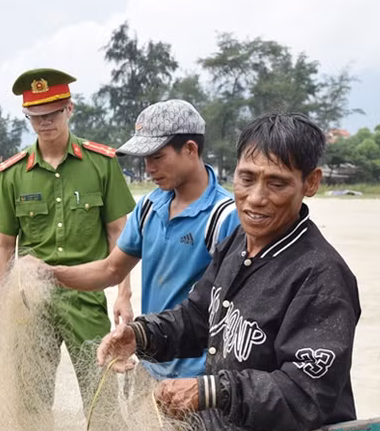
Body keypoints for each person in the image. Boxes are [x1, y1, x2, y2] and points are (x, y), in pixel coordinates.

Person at [96, 112, 360, 431]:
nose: (256, 198)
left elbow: (304, 393)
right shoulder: (238, 242)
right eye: (246, 179)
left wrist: (211, 390)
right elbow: (197, 317)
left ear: (310, 183)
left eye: (277, 183)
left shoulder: (321, 277)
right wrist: (142, 335)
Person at [31, 100, 239, 380]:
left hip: (199, 377)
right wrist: (51, 273)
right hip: (151, 365)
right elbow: (111, 269)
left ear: (190, 149)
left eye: (157, 157)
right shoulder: (149, 207)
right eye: (145, 159)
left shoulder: (226, 217)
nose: (149, 168)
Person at [0, 68, 136, 424]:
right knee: (31, 401)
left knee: (101, 396)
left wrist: (124, 295)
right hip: (32, 301)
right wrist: (1, 309)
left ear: (69, 109)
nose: (45, 122)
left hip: (86, 295)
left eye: (52, 113)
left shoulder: (101, 164)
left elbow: (119, 234)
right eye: (36, 116)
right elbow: (3, 246)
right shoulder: (12, 174)